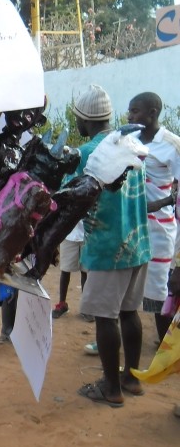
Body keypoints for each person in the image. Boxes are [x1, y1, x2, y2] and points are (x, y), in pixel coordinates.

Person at [74, 85, 151, 407]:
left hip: (108, 247)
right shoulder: (131, 144)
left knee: (106, 318)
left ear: (84, 121)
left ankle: (111, 387)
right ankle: (131, 378)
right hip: (138, 243)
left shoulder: (87, 153)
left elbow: (73, 199)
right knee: (129, 312)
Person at [127, 92, 180, 344]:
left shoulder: (172, 144)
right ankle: (120, 337)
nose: (130, 116)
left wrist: (166, 201)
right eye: (130, 110)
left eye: (135, 111)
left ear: (153, 112)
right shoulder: (129, 140)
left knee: (160, 291)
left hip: (160, 230)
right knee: (126, 288)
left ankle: (165, 346)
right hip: (132, 227)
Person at [51, 221, 93, 322]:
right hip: (69, 234)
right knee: (65, 270)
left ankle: (86, 307)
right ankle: (62, 304)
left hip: (87, 235)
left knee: (85, 272)